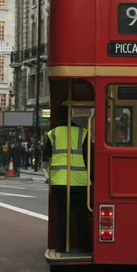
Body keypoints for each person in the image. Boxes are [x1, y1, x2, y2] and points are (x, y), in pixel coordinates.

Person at [46, 106, 91, 253]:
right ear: (71, 116)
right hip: (79, 181)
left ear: (58, 118)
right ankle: (84, 246)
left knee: (62, 216)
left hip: (59, 181)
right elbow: (90, 157)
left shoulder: (52, 134)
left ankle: (60, 246)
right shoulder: (83, 133)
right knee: (81, 215)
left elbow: (46, 156)